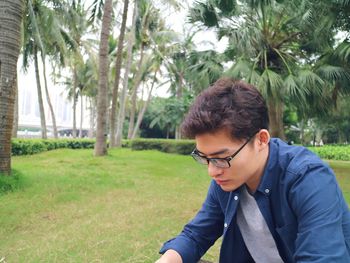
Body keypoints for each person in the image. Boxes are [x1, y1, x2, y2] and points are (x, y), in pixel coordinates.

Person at [156, 78, 350, 263]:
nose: (212, 171)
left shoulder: (308, 178)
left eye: (221, 158)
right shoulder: (226, 181)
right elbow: (196, 235)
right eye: (204, 158)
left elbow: (323, 257)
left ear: (261, 140)